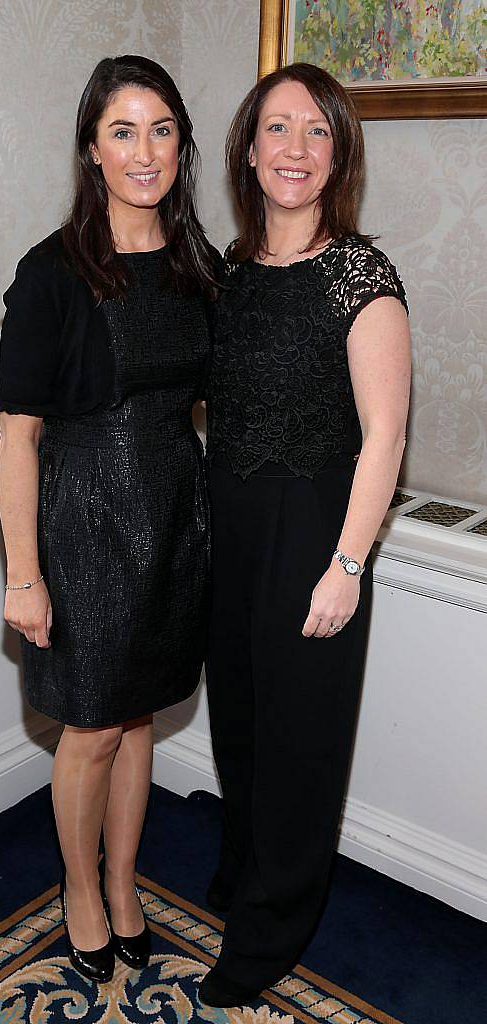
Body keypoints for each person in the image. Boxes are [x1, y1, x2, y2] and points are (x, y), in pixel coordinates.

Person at [0, 55, 219, 984]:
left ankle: (125, 884)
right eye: (123, 131)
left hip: (174, 522)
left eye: (161, 128)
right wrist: (23, 573)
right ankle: (79, 889)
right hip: (81, 528)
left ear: (181, 145)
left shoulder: (198, 264)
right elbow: (18, 440)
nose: (144, 150)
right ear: (92, 148)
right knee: (89, 728)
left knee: (137, 721)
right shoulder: (50, 273)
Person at [199, 62, 411, 1008]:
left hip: (316, 524)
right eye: (278, 129)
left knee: (300, 738)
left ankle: (275, 926)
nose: (295, 149)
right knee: (240, 720)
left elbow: (387, 437)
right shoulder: (232, 271)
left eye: (317, 131)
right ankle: (246, 870)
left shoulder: (361, 273)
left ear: (340, 154)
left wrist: (347, 565)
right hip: (232, 520)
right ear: (249, 148)